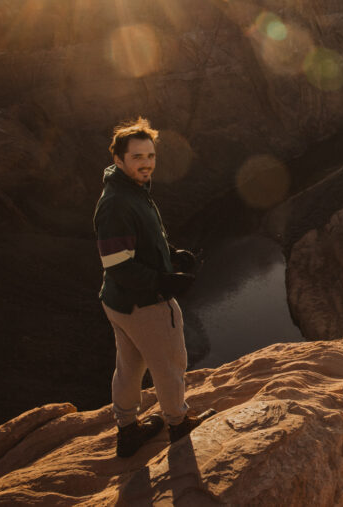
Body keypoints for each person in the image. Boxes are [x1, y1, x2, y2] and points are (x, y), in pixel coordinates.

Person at [94, 117, 214, 458]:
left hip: (119, 302)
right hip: (143, 304)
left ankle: (128, 431)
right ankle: (179, 425)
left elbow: (139, 245)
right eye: (137, 157)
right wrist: (162, 281)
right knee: (170, 363)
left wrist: (172, 257)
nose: (146, 163)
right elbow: (118, 264)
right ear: (119, 160)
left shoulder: (130, 191)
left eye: (150, 156)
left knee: (130, 366)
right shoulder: (118, 203)